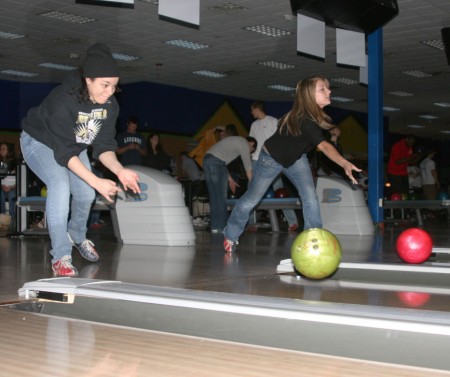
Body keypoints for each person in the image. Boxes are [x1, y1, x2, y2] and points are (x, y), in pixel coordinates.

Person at [20, 43, 141, 277]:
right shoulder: (63, 100)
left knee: (86, 194)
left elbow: (104, 145)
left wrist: (119, 170)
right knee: (60, 186)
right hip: (40, 141)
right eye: (105, 85)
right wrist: (96, 180)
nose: (109, 92)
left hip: (75, 144)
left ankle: (77, 234)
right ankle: (61, 256)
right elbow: (65, 154)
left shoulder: (109, 104)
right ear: (88, 80)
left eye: (114, 87)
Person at [223, 76, 360, 253]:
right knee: (252, 199)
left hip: (295, 159)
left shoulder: (318, 117)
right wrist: (344, 163)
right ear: (309, 95)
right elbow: (324, 146)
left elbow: (324, 136)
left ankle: (313, 238)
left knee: (310, 196)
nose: (329, 91)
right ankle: (231, 234)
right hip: (271, 158)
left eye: (327, 88)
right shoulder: (304, 119)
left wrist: (333, 134)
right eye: (322, 89)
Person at [248, 100, 298, 232]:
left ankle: (292, 221)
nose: (251, 112)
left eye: (252, 110)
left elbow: (281, 139)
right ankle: (251, 223)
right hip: (256, 159)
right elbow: (251, 143)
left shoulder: (273, 121)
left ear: (257, 108)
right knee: (252, 190)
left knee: (279, 190)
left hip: (272, 160)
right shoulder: (254, 125)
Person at [203, 135, 257, 233]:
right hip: (217, 163)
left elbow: (221, 162)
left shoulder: (234, 140)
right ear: (251, 144)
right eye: (251, 151)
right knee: (221, 198)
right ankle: (223, 227)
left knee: (214, 197)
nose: (249, 153)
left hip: (207, 160)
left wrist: (230, 179)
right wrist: (254, 187)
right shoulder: (244, 143)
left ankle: (215, 227)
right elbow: (248, 167)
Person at [0, 142, 17, 217]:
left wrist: (11, 187)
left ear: (8, 151)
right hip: (3, 187)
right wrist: (2, 186)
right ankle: (3, 220)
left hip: (13, 187)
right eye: (0, 149)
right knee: (1, 195)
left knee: (11, 195)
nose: (1, 150)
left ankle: (12, 219)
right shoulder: (1, 163)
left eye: (4, 149)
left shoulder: (15, 163)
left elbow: (20, 179)